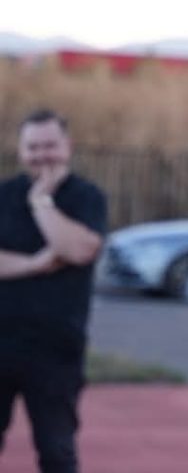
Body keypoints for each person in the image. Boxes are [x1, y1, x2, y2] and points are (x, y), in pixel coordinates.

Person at [0, 109, 107, 473]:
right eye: (33, 147)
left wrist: (41, 201)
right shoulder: (3, 195)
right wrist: (34, 263)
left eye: (49, 146)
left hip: (55, 351)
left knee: (56, 451)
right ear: (20, 150)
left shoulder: (87, 197)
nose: (41, 155)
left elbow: (79, 250)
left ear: (67, 146)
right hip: (1, 342)